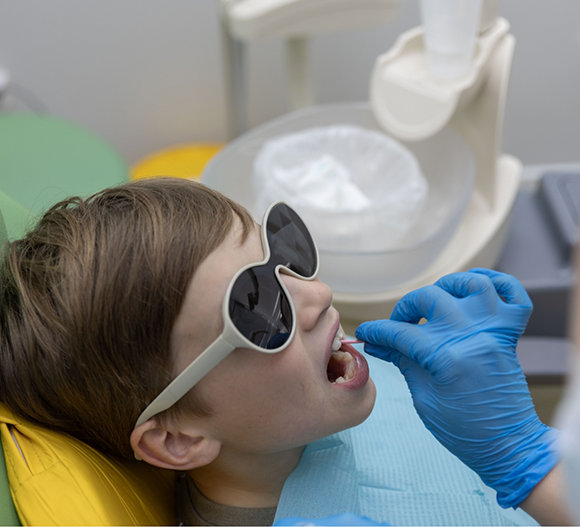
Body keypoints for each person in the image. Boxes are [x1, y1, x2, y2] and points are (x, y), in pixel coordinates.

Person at [0, 177, 376, 526]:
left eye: (283, 253)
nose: (318, 294)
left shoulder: (294, 412)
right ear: (180, 439)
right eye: (258, 310)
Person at [282, 267, 580, 526]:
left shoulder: (398, 376)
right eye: (256, 310)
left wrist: (524, 457)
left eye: (292, 260)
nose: (320, 293)